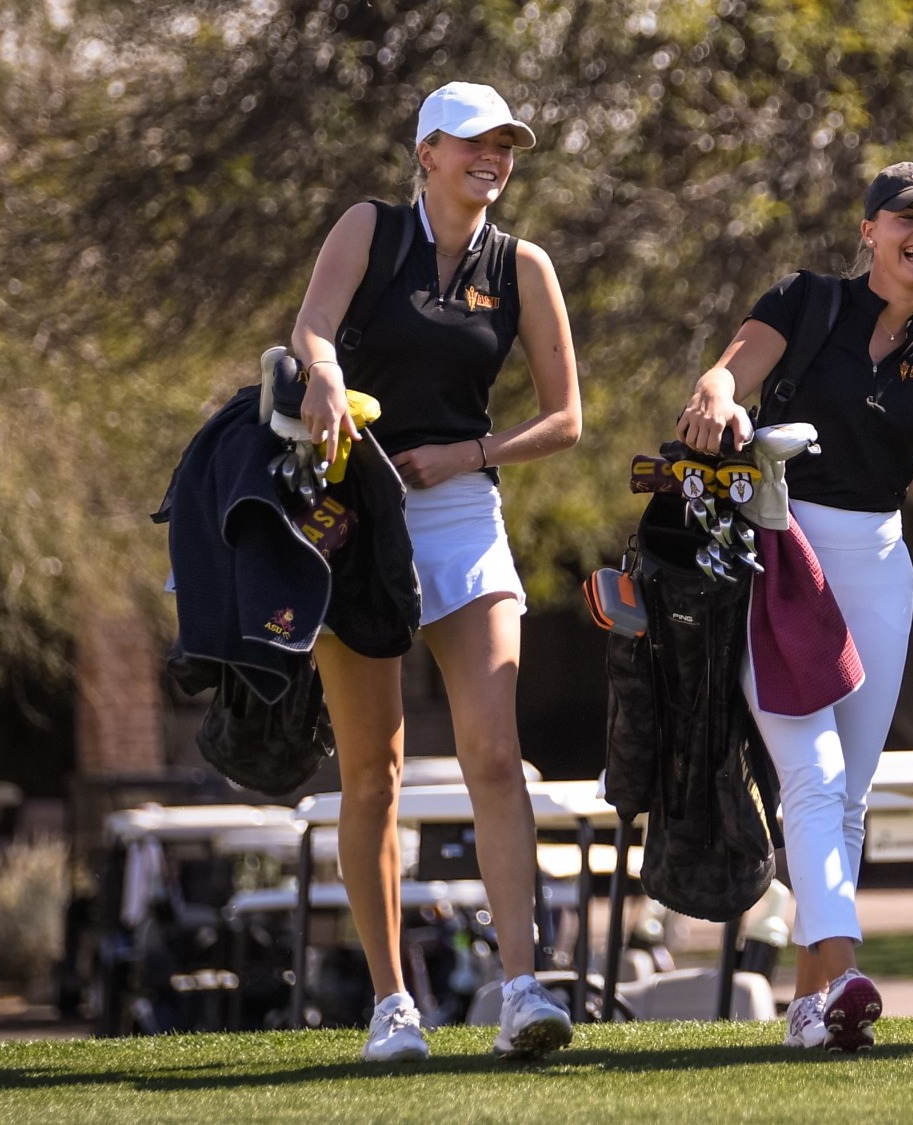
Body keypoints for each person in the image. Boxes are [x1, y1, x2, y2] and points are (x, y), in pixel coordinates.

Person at [675, 162, 913, 1051]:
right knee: (811, 776)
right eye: (906, 216)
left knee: (847, 796)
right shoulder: (806, 300)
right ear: (867, 230)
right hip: (782, 546)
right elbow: (735, 367)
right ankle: (844, 973)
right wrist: (719, 391)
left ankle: (811, 1010)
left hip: (880, 562)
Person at [291, 81, 583, 1062]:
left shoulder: (524, 265)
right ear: (426, 153)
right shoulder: (368, 228)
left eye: (503, 144)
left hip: (462, 510)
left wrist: (474, 454)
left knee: (493, 754)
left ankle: (522, 990)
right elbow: (312, 330)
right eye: (470, 143)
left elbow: (565, 419)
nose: (490, 158)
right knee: (369, 771)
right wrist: (324, 373)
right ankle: (390, 1007)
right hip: (357, 513)